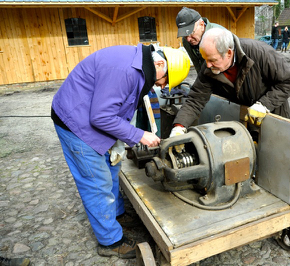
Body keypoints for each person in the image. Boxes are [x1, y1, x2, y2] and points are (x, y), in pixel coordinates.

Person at [51, 45, 190, 259]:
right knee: (97, 182)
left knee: (112, 166)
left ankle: (117, 214)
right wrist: (139, 135)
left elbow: (118, 106)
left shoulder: (139, 65)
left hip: (91, 113)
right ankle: (111, 241)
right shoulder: (125, 71)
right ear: (160, 64)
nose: (161, 86)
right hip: (76, 122)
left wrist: (122, 137)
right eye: (164, 81)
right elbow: (100, 117)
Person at [169, 28, 290, 136]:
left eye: (213, 60)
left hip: (273, 118)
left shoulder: (259, 53)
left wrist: (264, 104)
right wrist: (179, 126)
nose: (207, 65)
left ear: (229, 53)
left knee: (274, 160)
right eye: (205, 59)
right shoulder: (209, 64)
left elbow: (289, 79)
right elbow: (196, 98)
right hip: (244, 121)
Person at [176, 7, 225, 73]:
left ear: (202, 25)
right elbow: (197, 64)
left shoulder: (220, 36)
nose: (188, 39)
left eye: (191, 33)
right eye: (185, 35)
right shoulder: (186, 42)